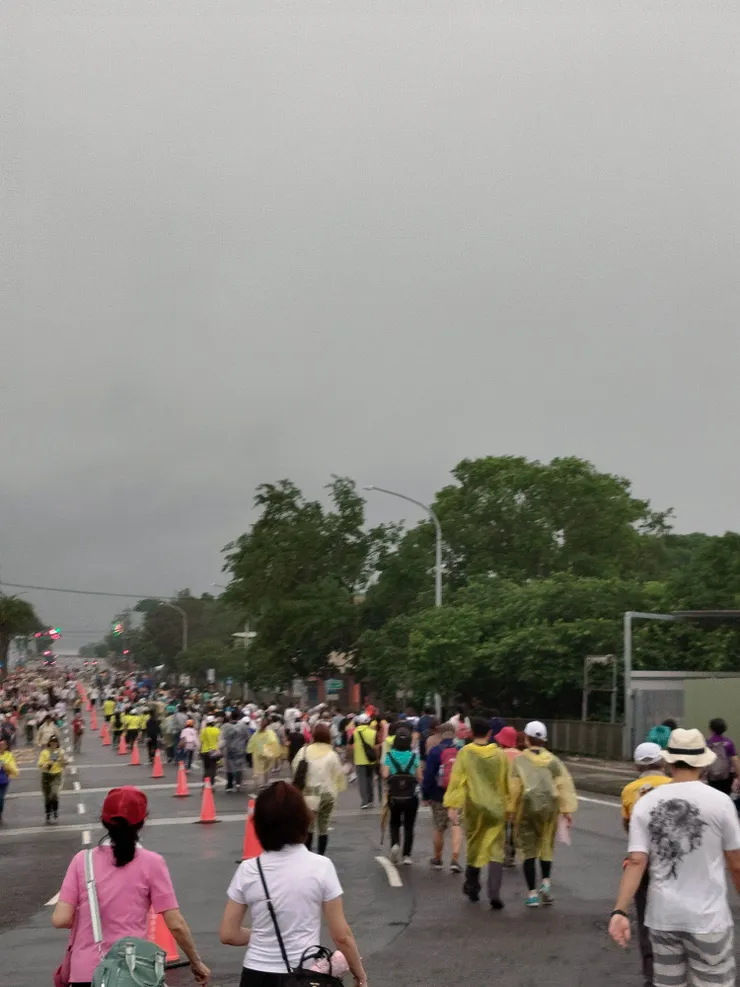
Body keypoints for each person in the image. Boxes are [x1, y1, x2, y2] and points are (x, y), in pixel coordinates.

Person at [609, 728, 740, 987]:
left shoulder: (645, 803)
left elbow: (636, 861)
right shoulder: (721, 802)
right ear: (703, 763)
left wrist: (619, 911)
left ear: (668, 762)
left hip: (663, 919)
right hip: (708, 920)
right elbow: (736, 864)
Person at [52, 786, 209, 987]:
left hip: (86, 973)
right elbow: (176, 924)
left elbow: (60, 919)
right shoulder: (152, 863)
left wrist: (89, 917)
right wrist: (195, 962)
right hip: (131, 973)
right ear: (142, 822)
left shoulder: (82, 860)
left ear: (103, 820)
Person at [220, 781, 367, 987]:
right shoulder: (321, 867)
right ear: (303, 820)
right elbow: (341, 936)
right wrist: (359, 974)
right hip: (303, 975)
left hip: (255, 975)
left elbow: (228, 934)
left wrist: (262, 935)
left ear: (259, 825)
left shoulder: (248, 870)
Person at [619, 741, 672, 987]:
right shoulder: (675, 786)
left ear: (636, 765)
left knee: (645, 915)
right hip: (673, 860)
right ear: (662, 762)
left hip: (642, 860)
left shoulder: (630, 790)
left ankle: (651, 972)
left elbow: (627, 825)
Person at [444, 716, 510, 909]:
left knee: (474, 845)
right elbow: (505, 781)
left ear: (472, 732)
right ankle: (494, 891)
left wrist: (452, 805)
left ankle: (472, 885)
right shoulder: (499, 755)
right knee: (496, 849)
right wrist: (510, 806)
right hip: (496, 807)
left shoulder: (465, 753)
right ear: (490, 734)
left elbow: (458, 781)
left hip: (474, 807)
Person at [509, 721, 577, 908]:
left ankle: (532, 894)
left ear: (527, 738)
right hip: (550, 808)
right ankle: (546, 884)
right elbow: (563, 785)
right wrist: (566, 810)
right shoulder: (554, 761)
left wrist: (511, 810)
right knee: (546, 845)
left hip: (527, 808)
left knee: (528, 849)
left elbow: (514, 787)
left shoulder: (520, 760)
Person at [293, 722, 346, 855]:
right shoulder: (332, 754)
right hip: (327, 795)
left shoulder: (304, 751)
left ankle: (307, 855)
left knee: (308, 827)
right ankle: (321, 857)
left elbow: (295, 768)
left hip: (308, 794)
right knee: (323, 827)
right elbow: (338, 775)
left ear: (313, 735)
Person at [422, 722, 463, 873]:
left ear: (440, 734)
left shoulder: (435, 751)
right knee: (456, 825)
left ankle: (438, 859)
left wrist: (426, 795)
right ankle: (455, 859)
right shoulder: (461, 750)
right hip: (457, 794)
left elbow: (428, 776)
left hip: (439, 794)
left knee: (439, 827)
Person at [383, 725, 422, 866]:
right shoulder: (413, 756)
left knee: (394, 822)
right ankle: (407, 855)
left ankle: (395, 844)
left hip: (394, 796)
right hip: (411, 796)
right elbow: (419, 776)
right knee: (409, 825)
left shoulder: (390, 756)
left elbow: (385, 774)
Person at [495, 726, 520, 866]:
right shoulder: (520, 755)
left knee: (503, 826)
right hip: (517, 796)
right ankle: (512, 853)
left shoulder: (498, 754)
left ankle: (504, 853)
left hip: (502, 795)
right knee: (514, 825)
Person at [705, 718, 740, 795]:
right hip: (726, 778)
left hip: (711, 778)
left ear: (711, 729)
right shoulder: (728, 743)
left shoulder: (707, 743)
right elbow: (735, 760)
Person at [351, 714, 378, 809]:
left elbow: (350, 744)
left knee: (362, 781)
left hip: (359, 760)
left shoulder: (355, 732)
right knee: (370, 779)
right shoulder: (373, 732)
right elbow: (376, 746)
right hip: (371, 759)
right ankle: (371, 800)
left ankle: (364, 801)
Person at [38, 734, 66, 823]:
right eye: (52, 742)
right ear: (49, 743)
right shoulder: (44, 752)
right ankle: (48, 813)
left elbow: (64, 762)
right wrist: (48, 763)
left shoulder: (60, 751)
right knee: (47, 796)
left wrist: (64, 762)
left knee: (54, 793)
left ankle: (55, 810)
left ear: (57, 743)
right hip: (46, 775)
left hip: (57, 774)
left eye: (55, 742)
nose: (54, 744)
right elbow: (40, 764)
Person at [248, 717, 281, 791]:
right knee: (267, 768)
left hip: (258, 752)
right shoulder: (270, 732)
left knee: (260, 768)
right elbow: (274, 741)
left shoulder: (257, 732)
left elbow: (252, 741)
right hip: (268, 752)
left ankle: (261, 783)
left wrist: (250, 749)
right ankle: (265, 782)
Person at [222, 715, 249, 793]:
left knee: (229, 768)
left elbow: (224, 738)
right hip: (240, 750)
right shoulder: (243, 727)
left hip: (229, 750)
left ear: (230, 719)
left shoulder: (226, 727)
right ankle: (238, 784)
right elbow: (248, 737)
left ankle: (229, 785)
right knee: (239, 768)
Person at [0, 737, 19, 823]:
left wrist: (6, 766)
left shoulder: (9, 755)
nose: (1, 746)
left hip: (3, 780)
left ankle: (0, 813)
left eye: (3, 745)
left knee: (1, 798)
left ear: (6, 746)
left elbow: (14, 768)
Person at [199, 714, 222, 787]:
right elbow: (219, 741)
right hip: (214, 751)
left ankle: (204, 782)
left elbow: (201, 740)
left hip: (205, 751)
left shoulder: (203, 731)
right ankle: (211, 783)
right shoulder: (217, 730)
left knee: (206, 768)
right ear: (213, 722)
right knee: (213, 768)